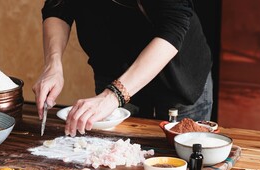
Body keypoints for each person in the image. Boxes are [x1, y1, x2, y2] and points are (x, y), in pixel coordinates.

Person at [32, 0, 213, 137]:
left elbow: (173, 28)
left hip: (176, 78)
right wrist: (53, 65)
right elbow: (58, 7)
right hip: (112, 70)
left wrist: (113, 96)